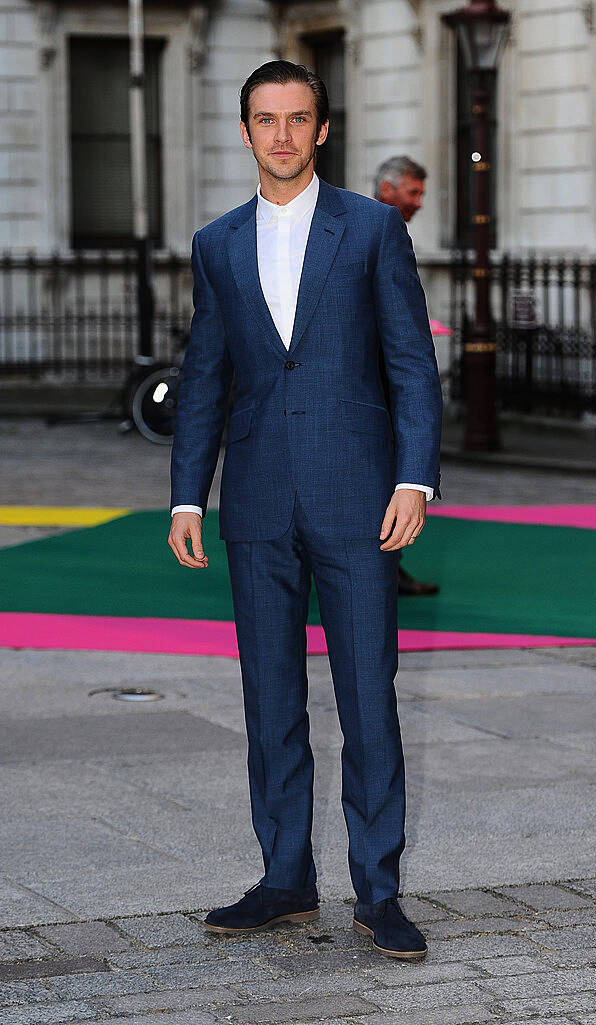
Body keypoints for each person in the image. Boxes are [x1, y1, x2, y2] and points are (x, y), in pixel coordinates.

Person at [168, 61, 442, 961]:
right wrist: (185, 493)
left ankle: (380, 891)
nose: (281, 135)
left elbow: (409, 362)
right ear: (244, 131)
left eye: (297, 119)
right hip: (254, 501)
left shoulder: (369, 230)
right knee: (269, 699)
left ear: (322, 130)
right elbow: (207, 375)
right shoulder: (215, 242)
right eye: (264, 119)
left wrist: (414, 478)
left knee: (368, 698)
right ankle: (284, 879)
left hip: (358, 500)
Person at [374, 156, 439, 598]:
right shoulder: (373, 228)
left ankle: (390, 564)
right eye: (412, 192)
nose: (418, 202)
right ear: (387, 189)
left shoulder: (384, 228)